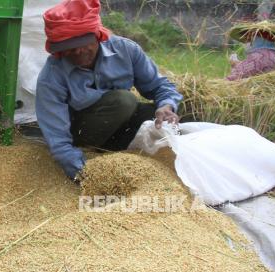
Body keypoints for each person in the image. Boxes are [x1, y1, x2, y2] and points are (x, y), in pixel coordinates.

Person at [35, 0, 183, 181]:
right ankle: (96, 151)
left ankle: (121, 149)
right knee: (124, 100)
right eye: (69, 48)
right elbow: (57, 137)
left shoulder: (126, 50)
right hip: (82, 133)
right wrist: (82, 173)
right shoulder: (52, 75)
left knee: (157, 115)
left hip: (117, 129)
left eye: (84, 42)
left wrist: (166, 106)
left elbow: (160, 86)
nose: (78, 51)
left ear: (98, 35)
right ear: (59, 49)